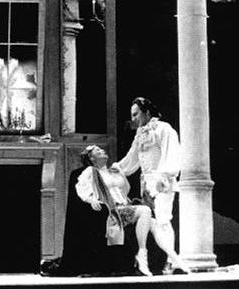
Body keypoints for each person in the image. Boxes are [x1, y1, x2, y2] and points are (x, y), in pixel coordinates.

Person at [113, 97, 190, 274]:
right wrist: (118, 168)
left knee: (163, 220)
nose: (133, 118)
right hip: (146, 183)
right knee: (152, 223)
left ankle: (172, 262)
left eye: (136, 114)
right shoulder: (140, 133)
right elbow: (132, 158)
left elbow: (172, 153)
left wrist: (165, 175)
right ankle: (170, 260)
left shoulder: (163, 129)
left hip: (162, 181)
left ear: (147, 112)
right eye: (132, 115)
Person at [75, 145, 154, 276]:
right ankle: (142, 254)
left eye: (101, 149)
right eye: (97, 151)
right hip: (113, 210)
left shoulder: (114, 169)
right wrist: (91, 200)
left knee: (154, 223)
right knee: (145, 210)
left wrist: (120, 175)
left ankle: (172, 260)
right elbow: (80, 187)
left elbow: (126, 186)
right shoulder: (91, 171)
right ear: (92, 158)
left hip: (123, 205)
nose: (102, 150)